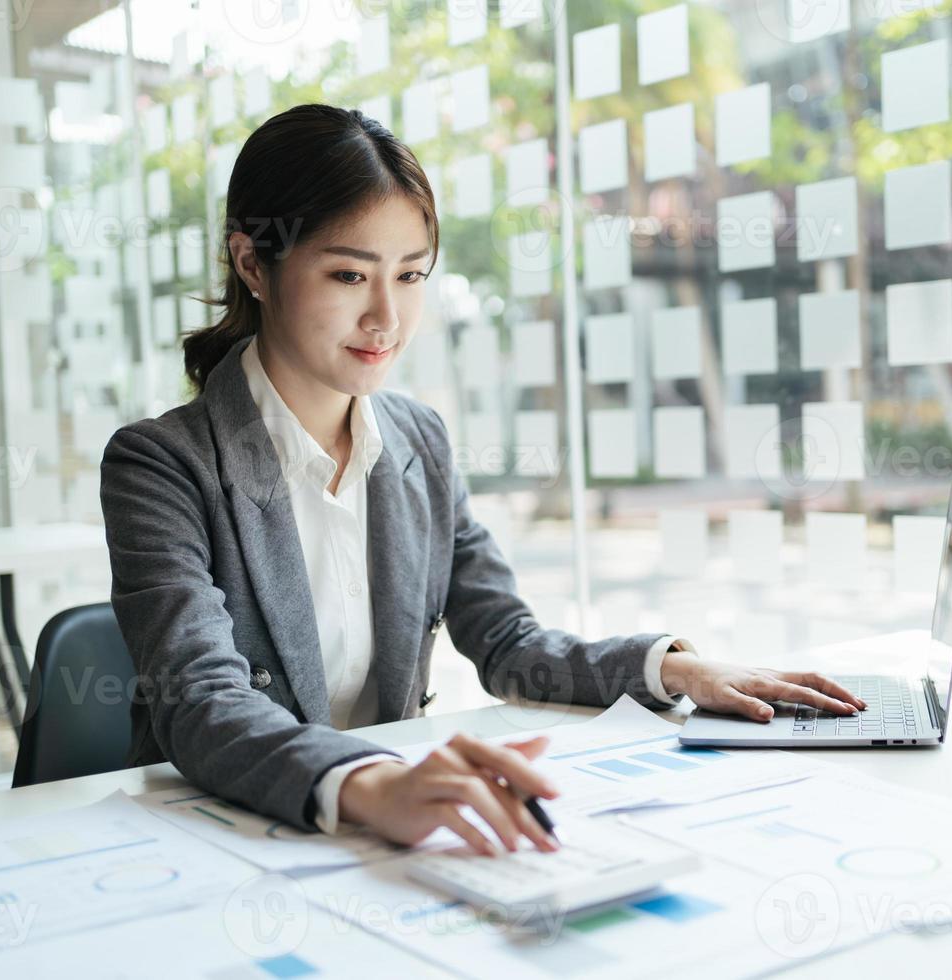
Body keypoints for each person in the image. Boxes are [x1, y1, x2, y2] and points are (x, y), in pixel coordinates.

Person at [100, 104, 864, 856]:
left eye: (409, 276)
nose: (386, 318)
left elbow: (505, 641)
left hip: (386, 840)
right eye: (347, 274)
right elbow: (202, 702)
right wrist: (365, 783)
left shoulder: (417, 442)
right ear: (252, 264)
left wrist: (671, 669)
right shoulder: (162, 465)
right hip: (227, 837)